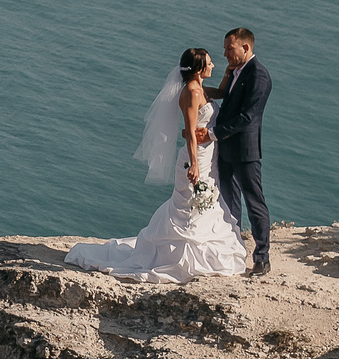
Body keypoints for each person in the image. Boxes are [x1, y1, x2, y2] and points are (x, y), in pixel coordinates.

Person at [63, 47, 253, 284]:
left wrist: (228, 72)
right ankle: (178, 256)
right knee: (189, 205)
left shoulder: (200, 89)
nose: (213, 65)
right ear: (198, 69)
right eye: (210, 63)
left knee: (206, 203)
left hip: (209, 158)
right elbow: (191, 134)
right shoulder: (192, 94)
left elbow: (223, 92)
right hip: (196, 158)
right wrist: (193, 164)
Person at [208, 27, 272, 275]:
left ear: (245, 47)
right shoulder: (235, 72)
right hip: (226, 150)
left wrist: (214, 133)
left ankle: (262, 257)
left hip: (246, 152)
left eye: (229, 48)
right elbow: (227, 98)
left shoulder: (259, 75)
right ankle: (233, 251)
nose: (225, 54)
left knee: (254, 202)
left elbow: (248, 116)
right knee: (228, 201)